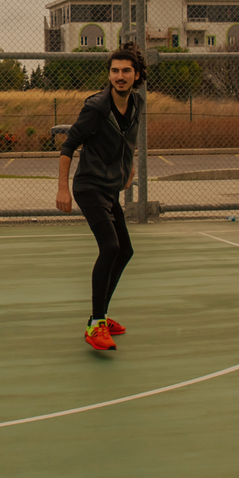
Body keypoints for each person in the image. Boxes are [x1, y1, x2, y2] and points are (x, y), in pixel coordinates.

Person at [55, 42, 145, 352]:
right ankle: (95, 324)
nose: (119, 76)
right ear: (109, 74)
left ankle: (101, 317)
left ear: (136, 75)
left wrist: (129, 167)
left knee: (125, 251)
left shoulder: (137, 104)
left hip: (109, 188)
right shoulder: (96, 108)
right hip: (88, 186)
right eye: (114, 71)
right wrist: (62, 188)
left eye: (125, 71)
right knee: (110, 246)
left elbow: (129, 140)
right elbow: (68, 146)